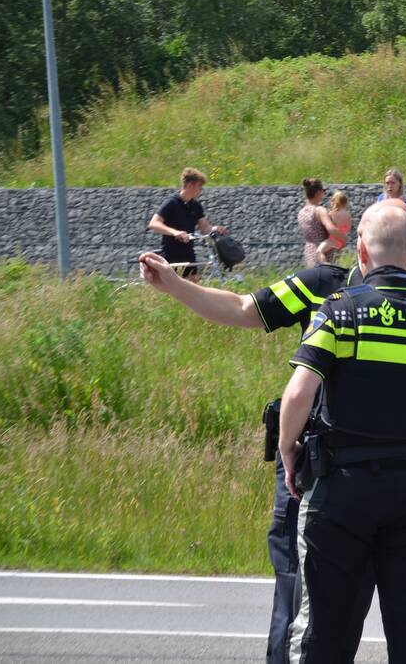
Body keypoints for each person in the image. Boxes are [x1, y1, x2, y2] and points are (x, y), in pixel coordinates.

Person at [136, 246, 377, 664]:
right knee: (297, 595)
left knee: (353, 602)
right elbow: (244, 307)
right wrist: (176, 286)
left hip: (371, 480)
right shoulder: (322, 283)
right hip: (311, 466)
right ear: (363, 248)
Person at [280, 200, 406, 664]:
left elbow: (298, 393)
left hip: (342, 489)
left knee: (324, 632)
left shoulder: (339, 311)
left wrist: (288, 449)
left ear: (360, 252)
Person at [147, 167, 226, 282]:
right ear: (190, 185)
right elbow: (153, 223)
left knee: (193, 283)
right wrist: (175, 232)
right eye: (199, 186)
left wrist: (215, 229)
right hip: (171, 252)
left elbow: (205, 228)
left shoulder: (196, 206)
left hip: (188, 251)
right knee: (172, 285)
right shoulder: (171, 203)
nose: (201, 190)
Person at [298, 178, 348, 268]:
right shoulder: (320, 210)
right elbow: (331, 229)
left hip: (310, 253)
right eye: (323, 191)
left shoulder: (301, 212)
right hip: (325, 254)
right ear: (318, 192)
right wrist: (344, 238)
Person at [315, 191, 352, 264]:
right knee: (336, 260)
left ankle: (326, 266)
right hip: (342, 240)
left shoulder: (331, 214)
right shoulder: (347, 215)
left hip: (333, 239)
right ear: (345, 202)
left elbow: (328, 226)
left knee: (319, 252)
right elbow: (348, 228)